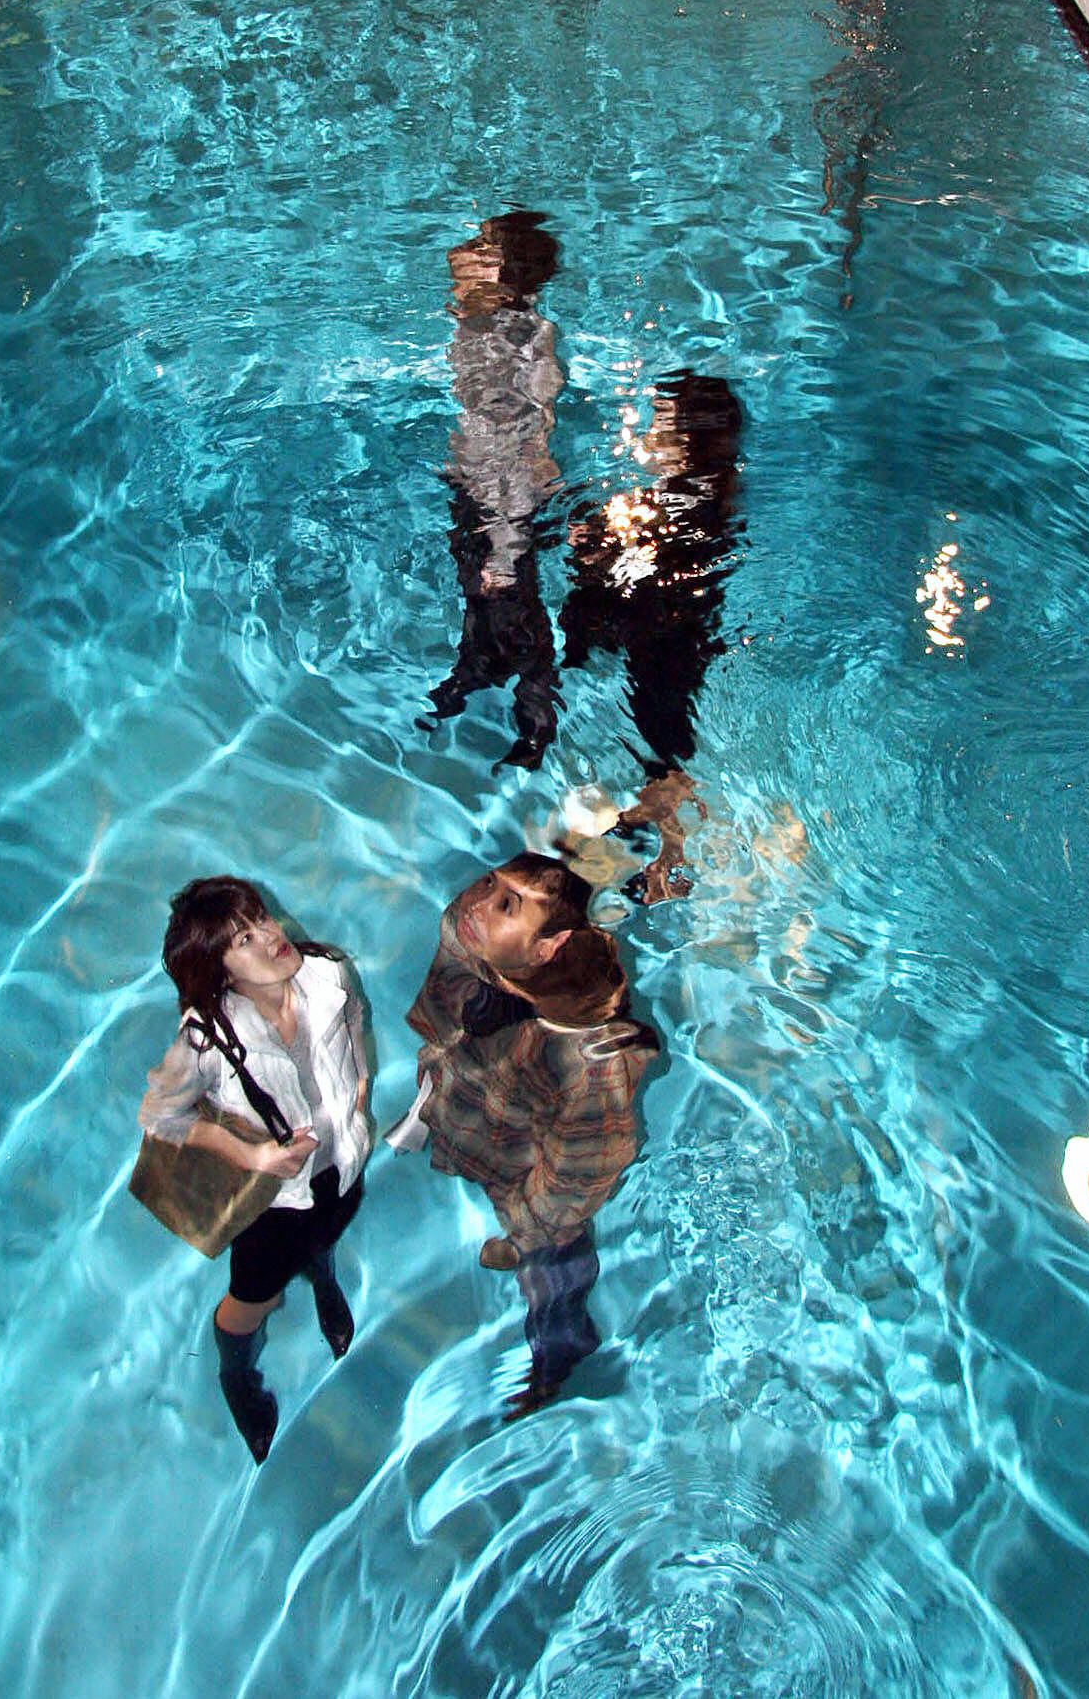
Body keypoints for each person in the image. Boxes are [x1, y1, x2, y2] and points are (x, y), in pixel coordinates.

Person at [402, 853, 657, 1417]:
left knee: (554, 1269)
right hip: (477, 1101)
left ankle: (560, 1360)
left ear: (547, 946)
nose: (478, 901)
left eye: (506, 905)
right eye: (491, 883)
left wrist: (523, 1236)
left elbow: (579, 1179)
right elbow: (443, 1008)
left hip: (527, 1167)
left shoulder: (591, 1066)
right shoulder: (469, 933)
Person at [139, 876, 371, 1464]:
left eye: (262, 919)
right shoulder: (207, 1039)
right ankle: (237, 1376)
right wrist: (254, 1157)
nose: (271, 937)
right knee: (251, 1299)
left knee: (327, 1234)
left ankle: (322, 1277)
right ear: (221, 972)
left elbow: (356, 1024)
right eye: (244, 939)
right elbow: (160, 1116)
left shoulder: (329, 974)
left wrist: (361, 1088)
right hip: (273, 1201)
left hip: (342, 1163)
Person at [560, 372, 743, 902]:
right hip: (687, 635)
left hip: (657, 635)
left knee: (662, 750)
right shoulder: (717, 501)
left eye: (658, 424)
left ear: (682, 443)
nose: (644, 436)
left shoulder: (651, 507)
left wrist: (589, 544)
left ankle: (670, 859)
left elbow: (621, 581)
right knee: (663, 743)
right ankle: (662, 837)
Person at [421, 211, 565, 771]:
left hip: (507, 498)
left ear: (506, 272)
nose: (460, 249)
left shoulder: (524, 340)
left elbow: (528, 446)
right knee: (477, 596)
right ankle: (474, 665)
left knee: (514, 604)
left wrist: (506, 544)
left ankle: (537, 719)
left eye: (480, 245)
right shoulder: (477, 328)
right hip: (476, 486)